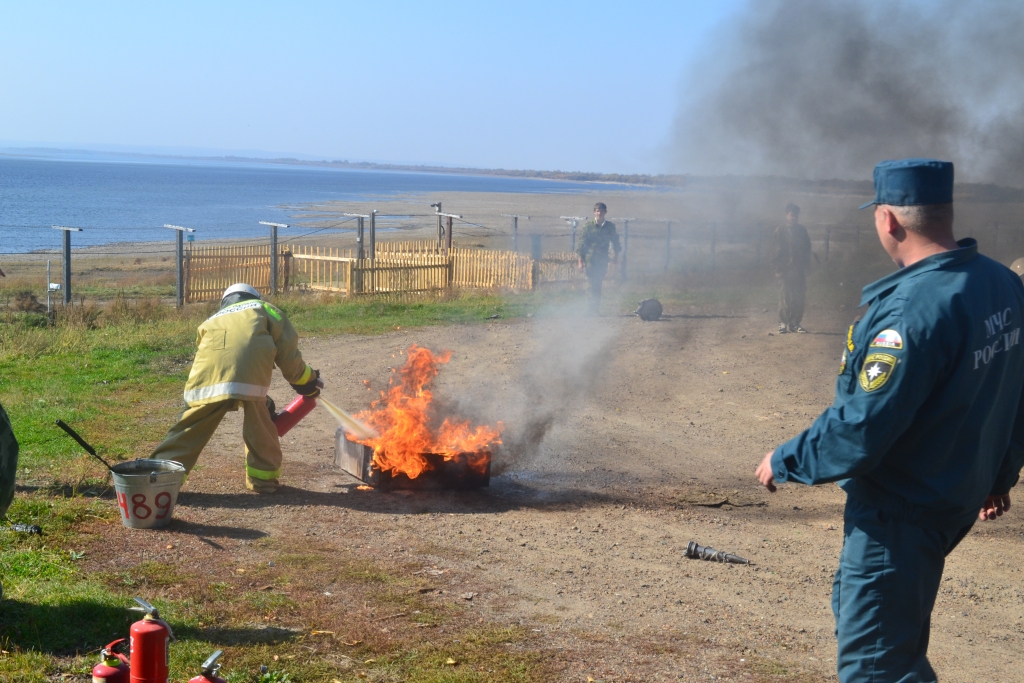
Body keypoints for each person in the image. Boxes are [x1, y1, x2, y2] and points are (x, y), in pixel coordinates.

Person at [755, 159, 1024, 682]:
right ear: (945, 212)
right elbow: (1017, 391)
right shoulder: (1000, 284)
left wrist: (785, 459)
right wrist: (999, 474)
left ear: (889, 221)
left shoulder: (912, 313)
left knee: (877, 667)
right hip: (951, 496)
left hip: (901, 511)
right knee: (873, 627)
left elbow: (861, 428)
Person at [151, 283, 322, 493]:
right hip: (250, 381)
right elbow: (288, 354)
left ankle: (158, 482)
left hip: (207, 382)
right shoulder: (265, 309)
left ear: (226, 301)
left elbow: (210, 357)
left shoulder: (212, 319)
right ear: (254, 296)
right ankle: (263, 481)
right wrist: (307, 382)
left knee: (187, 431)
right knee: (261, 425)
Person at [771, 203, 812, 333]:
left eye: (796, 215)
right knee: (784, 296)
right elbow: (775, 251)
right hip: (785, 269)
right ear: (786, 215)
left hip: (798, 269)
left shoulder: (802, 230)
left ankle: (795, 323)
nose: (794, 217)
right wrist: (777, 269)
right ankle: (783, 323)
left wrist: (807, 266)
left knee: (799, 296)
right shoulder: (780, 231)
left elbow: (807, 249)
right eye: (791, 215)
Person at [575, 202, 620, 315]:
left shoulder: (610, 227)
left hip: (602, 258)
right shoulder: (588, 226)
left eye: (601, 211)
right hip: (590, 258)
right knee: (591, 283)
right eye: (597, 211)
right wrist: (580, 261)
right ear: (594, 212)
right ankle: (590, 309)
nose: (599, 213)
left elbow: (615, 241)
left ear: (605, 212)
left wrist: (616, 256)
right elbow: (582, 244)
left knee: (598, 283)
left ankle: (596, 309)